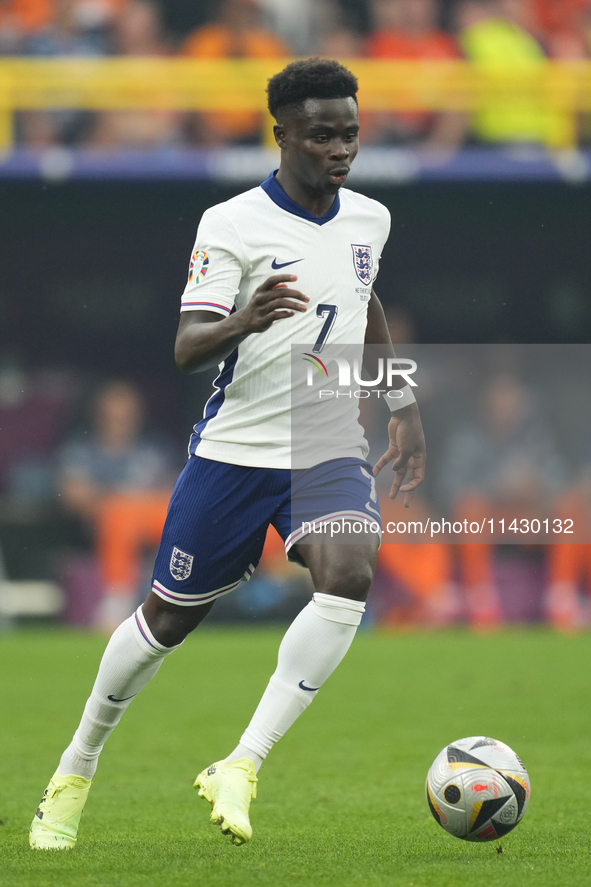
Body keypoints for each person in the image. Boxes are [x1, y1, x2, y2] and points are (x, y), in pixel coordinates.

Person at [29, 56, 426, 851]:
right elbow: (185, 348)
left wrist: (400, 401)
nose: (340, 148)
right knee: (167, 620)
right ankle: (75, 767)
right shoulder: (231, 224)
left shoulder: (369, 220)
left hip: (323, 444)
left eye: (350, 133)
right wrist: (244, 319)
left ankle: (241, 762)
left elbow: (364, 298)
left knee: (349, 573)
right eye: (321, 135)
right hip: (234, 452)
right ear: (281, 134)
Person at [58, 380, 176, 630]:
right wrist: (120, 500)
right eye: (113, 416)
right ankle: (118, 599)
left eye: (126, 416)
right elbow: (74, 496)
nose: (120, 422)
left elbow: (175, 493)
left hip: (154, 528)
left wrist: (132, 502)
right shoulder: (83, 450)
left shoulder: (152, 450)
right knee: (119, 514)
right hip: (102, 528)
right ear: (99, 416)